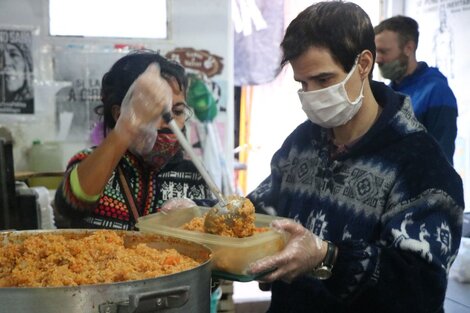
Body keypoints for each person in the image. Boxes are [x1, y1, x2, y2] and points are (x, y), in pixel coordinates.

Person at [241, 2, 464, 313]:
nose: (312, 96)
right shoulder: (303, 141)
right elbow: (261, 209)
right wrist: (204, 216)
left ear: (364, 64)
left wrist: (328, 258)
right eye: (302, 84)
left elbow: (420, 288)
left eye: (323, 80)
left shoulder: (420, 163)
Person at [55, 51, 211, 230]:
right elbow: (70, 205)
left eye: (177, 112)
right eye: (152, 111)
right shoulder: (91, 161)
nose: (167, 123)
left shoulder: (194, 174)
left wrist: (197, 212)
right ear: (119, 114)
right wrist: (126, 128)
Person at [374, 15, 458, 164]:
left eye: (384, 52)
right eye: (377, 52)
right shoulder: (387, 93)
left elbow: (441, 160)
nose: (378, 59)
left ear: (408, 48)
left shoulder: (437, 93)